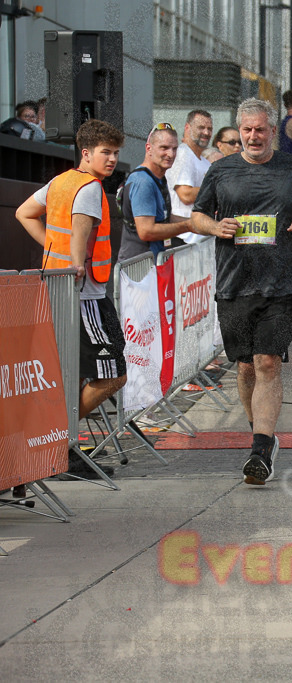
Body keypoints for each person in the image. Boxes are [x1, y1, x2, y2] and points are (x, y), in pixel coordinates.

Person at [190, 98, 292, 486]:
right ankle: (259, 432)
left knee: (266, 362)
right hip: (235, 281)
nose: (252, 136)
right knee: (245, 366)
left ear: (272, 132)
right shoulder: (220, 170)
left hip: (283, 282)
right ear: (239, 131)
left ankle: (260, 449)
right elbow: (197, 215)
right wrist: (215, 228)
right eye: (246, 130)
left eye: (260, 129)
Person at [14, 119, 128, 479]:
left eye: (115, 153)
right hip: (87, 296)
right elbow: (80, 228)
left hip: (62, 291)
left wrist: (55, 251)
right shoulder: (90, 188)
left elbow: (24, 213)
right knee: (112, 376)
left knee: (72, 375)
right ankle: (58, 438)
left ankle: (58, 442)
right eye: (105, 152)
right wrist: (74, 262)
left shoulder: (60, 181)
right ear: (86, 153)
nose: (111, 159)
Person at [117, 123, 194, 260]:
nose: (170, 154)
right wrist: (188, 225)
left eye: (174, 149)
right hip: (139, 269)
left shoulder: (159, 178)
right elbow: (146, 231)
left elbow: (164, 218)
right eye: (164, 148)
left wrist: (198, 223)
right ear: (149, 148)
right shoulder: (143, 181)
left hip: (153, 264)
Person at [167, 109, 213, 243]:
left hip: (199, 238)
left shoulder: (204, 162)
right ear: (187, 127)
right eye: (201, 127)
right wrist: (216, 189)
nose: (206, 132)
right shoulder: (182, 154)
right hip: (183, 238)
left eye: (209, 128)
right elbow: (185, 195)